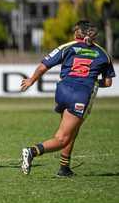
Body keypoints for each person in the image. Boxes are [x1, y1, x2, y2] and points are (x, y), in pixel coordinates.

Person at [20, 20, 116, 177]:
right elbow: (107, 82)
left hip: (63, 91)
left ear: (77, 33)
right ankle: (31, 151)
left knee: (72, 130)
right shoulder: (103, 54)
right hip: (81, 94)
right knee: (63, 138)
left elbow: (44, 65)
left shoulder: (67, 47)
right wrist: (91, 81)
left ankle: (64, 168)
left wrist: (31, 80)